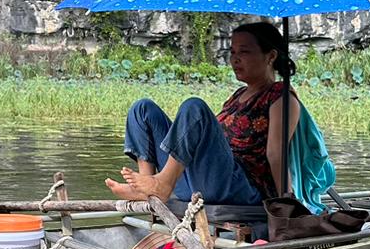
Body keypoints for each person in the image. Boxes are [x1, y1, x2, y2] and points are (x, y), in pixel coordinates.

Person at [106, 22, 301, 206]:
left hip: (239, 187)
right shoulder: (238, 95)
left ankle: (163, 183)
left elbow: (276, 153)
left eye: (245, 52)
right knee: (142, 109)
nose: (235, 59)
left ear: (271, 56)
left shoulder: (280, 97)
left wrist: (286, 201)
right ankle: (148, 185)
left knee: (194, 108)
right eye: (232, 52)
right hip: (200, 180)